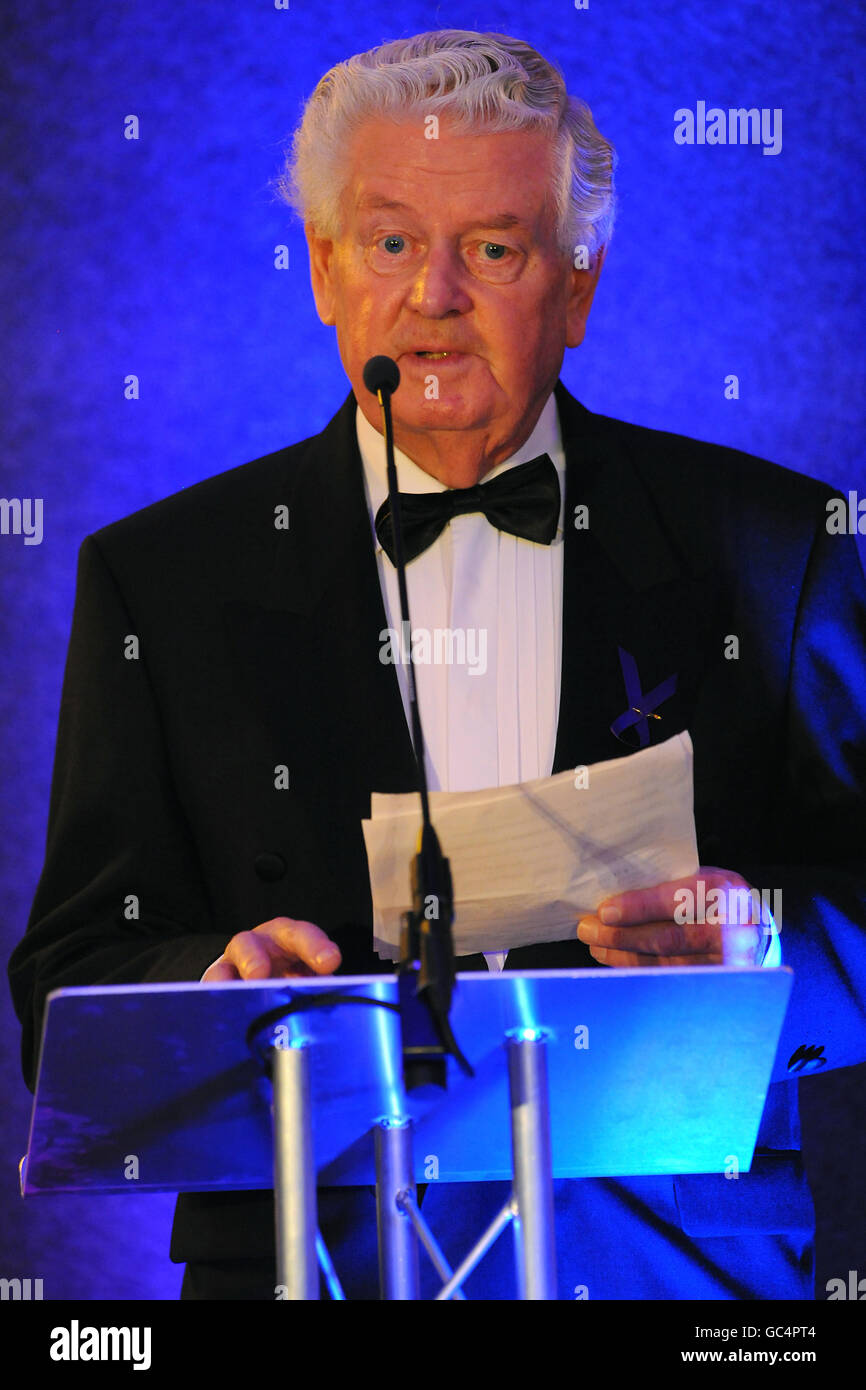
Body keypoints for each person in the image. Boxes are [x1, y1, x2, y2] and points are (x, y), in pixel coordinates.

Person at [9, 28, 866, 1301]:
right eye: (391, 242)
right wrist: (206, 980)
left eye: (494, 249)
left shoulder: (773, 542)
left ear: (577, 288)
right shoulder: (162, 578)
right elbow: (64, 974)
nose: (433, 296)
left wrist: (758, 946)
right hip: (308, 1265)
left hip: (679, 1275)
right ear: (322, 270)